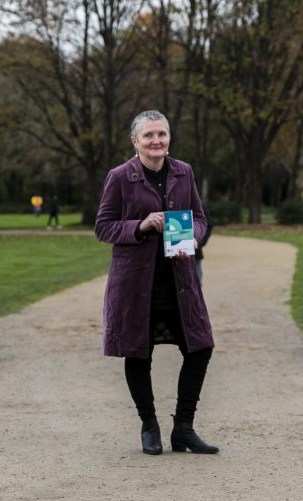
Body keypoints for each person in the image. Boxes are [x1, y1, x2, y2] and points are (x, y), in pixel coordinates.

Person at [95, 110, 217, 455]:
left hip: (180, 281)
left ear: (169, 138)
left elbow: (201, 218)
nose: (156, 141)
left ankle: (184, 428)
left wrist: (193, 237)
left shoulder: (184, 172)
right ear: (135, 141)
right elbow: (103, 227)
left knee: (200, 346)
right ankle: (149, 426)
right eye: (148, 135)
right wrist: (140, 225)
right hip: (136, 284)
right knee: (138, 352)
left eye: (161, 134)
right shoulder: (120, 177)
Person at [193, 202, 212, 283]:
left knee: (197, 284)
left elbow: (208, 225)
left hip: (195, 254)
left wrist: (200, 242)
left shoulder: (198, 203)